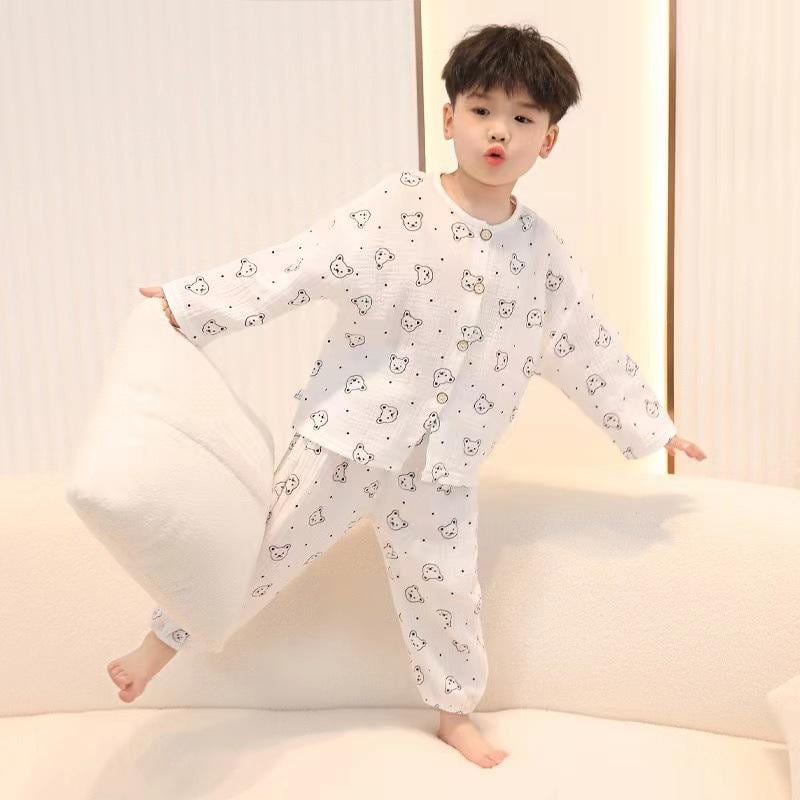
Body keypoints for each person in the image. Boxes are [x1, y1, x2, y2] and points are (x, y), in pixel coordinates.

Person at [107, 23, 707, 769]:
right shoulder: (396, 206)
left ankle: (455, 714)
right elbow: (302, 263)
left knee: (446, 591)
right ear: (449, 118)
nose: (500, 131)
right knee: (260, 546)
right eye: (483, 110)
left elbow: (586, 344)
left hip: (443, 468)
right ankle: (155, 646)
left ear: (548, 140)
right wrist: (189, 302)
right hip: (346, 436)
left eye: (523, 118)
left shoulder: (543, 256)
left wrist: (653, 426)